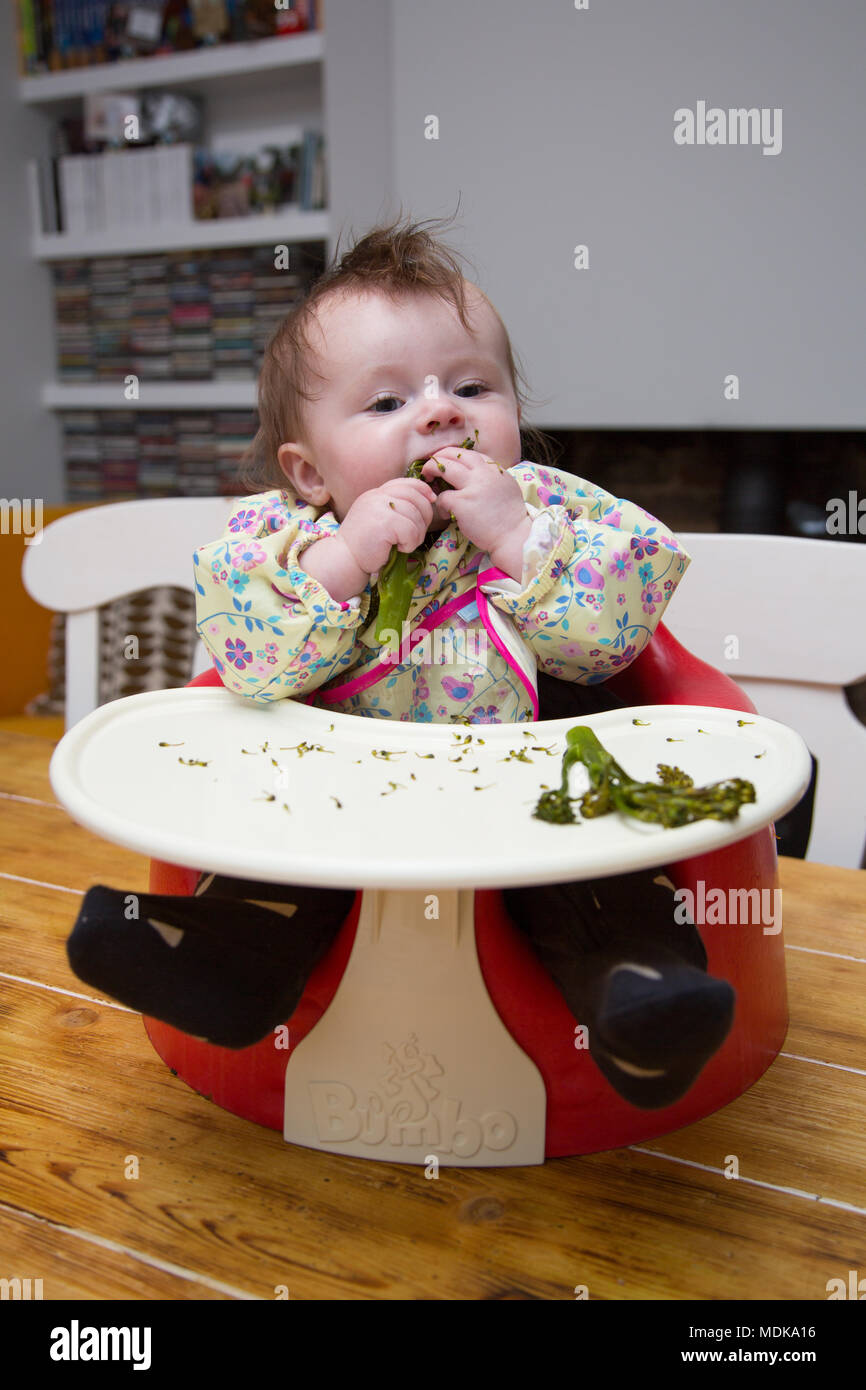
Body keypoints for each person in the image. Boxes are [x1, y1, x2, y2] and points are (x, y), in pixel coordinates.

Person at [67, 214, 734, 1110]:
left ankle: (644, 995)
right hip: (335, 799)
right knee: (270, 854)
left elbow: (620, 630)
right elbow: (249, 662)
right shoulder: (286, 536)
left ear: (515, 416)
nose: (439, 411)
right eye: (386, 404)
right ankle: (217, 966)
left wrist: (520, 540)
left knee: (603, 863)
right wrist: (343, 560)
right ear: (308, 473)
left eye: (472, 386)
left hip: (528, 793)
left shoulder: (547, 507)